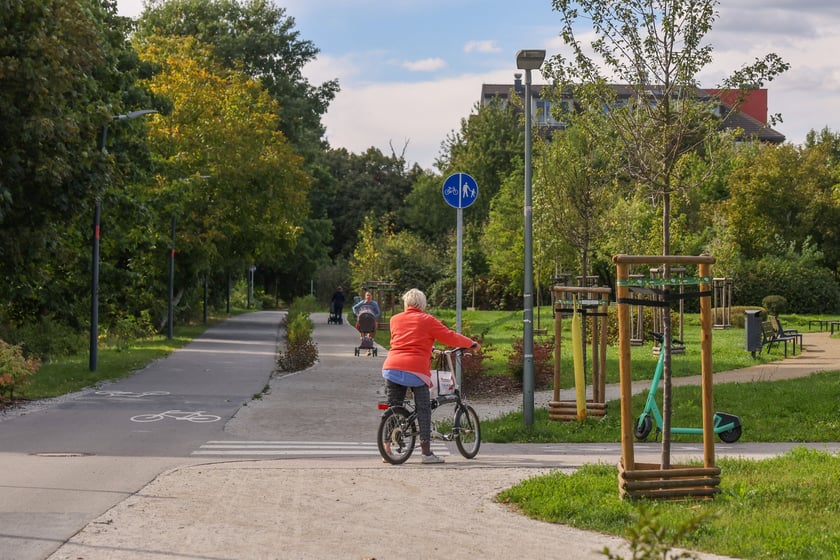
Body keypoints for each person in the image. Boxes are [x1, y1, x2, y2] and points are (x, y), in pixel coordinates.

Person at [381, 288, 480, 464]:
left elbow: (403, 339)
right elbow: (449, 337)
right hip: (415, 369)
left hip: (392, 367)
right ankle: (426, 453)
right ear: (422, 304)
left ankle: (387, 449)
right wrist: (470, 343)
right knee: (424, 409)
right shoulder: (427, 320)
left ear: (406, 304)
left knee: (393, 408)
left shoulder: (394, 319)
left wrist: (428, 347)